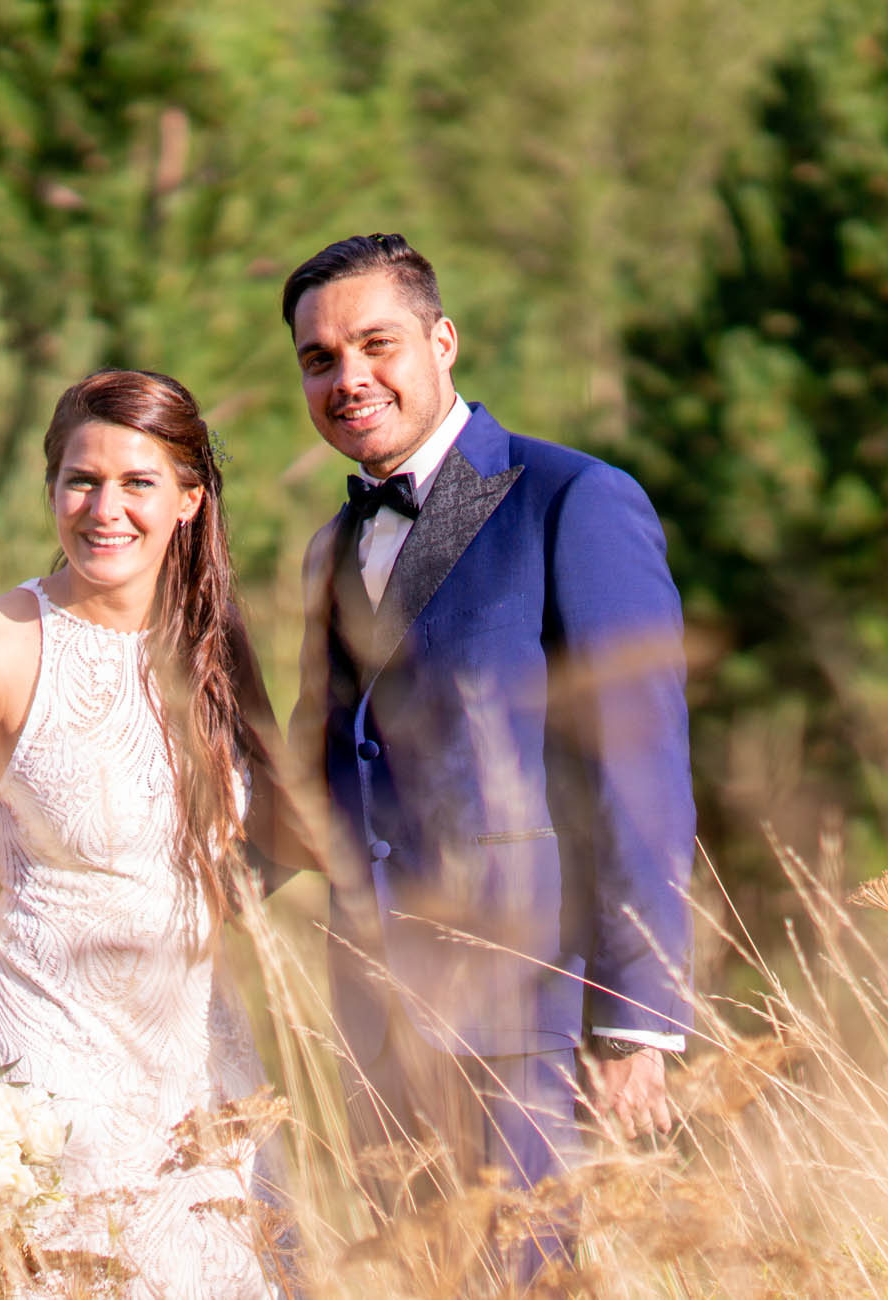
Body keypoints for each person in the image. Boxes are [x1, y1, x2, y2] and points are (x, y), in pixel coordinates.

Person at [282, 233, 695, 1276]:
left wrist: (640, 1015)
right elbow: (326, 764)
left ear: (444, 340)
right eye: (320, 360)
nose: (350, 378)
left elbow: (638, 767)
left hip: (531, 1004)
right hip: (379, 1021)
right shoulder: (334, 548)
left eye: (377, 344)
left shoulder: (572, 502)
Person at [0, 369, 307, 1299]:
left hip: (202, 1068)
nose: (103, 508)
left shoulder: (214, 649)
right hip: (47, 1065)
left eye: (138, 483)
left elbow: (273, 840)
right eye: (81, 480)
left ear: (190, 500)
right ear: (51, 489)